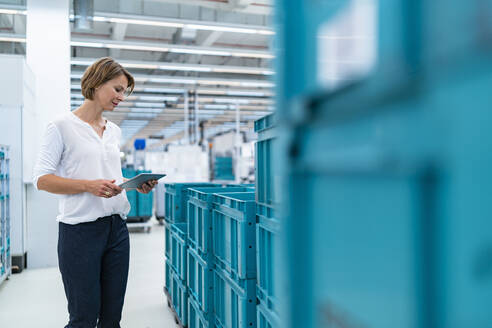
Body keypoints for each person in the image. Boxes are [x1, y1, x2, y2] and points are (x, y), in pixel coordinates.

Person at [32, 57, 157, 328]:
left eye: (125, 91)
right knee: (84, 318)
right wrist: (89, 186)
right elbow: (41, 179)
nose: (121, 97)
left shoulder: (113, 131)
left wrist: (134, 183)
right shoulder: (61, 126)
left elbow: (109, 175)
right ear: (97, 83)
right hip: (80, 232)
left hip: (116, 230)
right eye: (117, 89)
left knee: (112, 318)